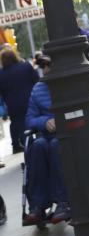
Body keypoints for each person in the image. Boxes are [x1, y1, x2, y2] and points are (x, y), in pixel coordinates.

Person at [23, 54, 70, 224]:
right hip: (47, 134)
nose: (47, 69)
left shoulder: (73, 82)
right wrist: (44, 121)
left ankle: (63, 202)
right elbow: (29, 119)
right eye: (43, 66)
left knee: (57, 146)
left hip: (70, 134)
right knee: (37, 146)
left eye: (49, 65)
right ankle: (38, 206)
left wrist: (62, 120)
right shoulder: (38, 88)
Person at [0, 46, 38, 153]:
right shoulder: (26, 66)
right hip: (31, 101)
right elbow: (36, 81)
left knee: (22, 129)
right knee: (36, 123)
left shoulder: (1, 74)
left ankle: (29, 150)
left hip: (14, 106)